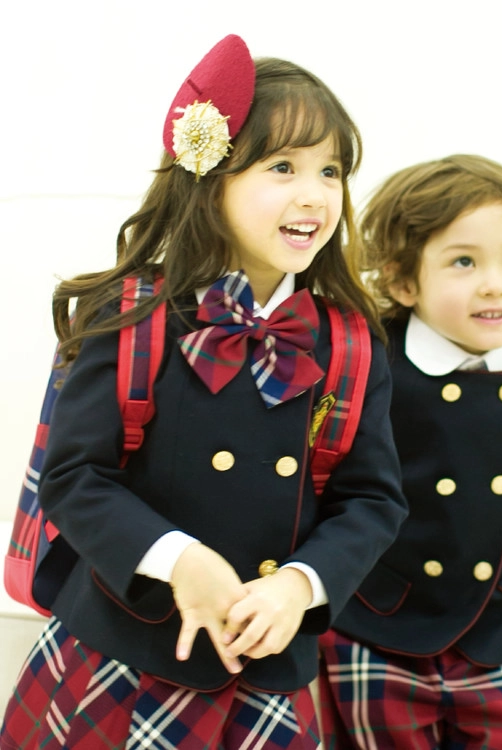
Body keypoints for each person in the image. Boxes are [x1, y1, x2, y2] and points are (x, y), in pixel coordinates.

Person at [0, 34, 407, 750]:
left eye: (331, 171)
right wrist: (179, 560)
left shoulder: (349, 342)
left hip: (266, 663)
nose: (314, 193)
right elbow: (74, 477)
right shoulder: (134, 316)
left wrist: (299, 585)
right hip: (124, 651)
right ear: (209, 177)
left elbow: (372, 501)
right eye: (282, 167)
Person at [318, 154, 502, 749]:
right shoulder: (372, 362)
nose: (495, 283)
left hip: (496, 622)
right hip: (377, 618)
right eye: (463, 261)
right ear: (404, 282)